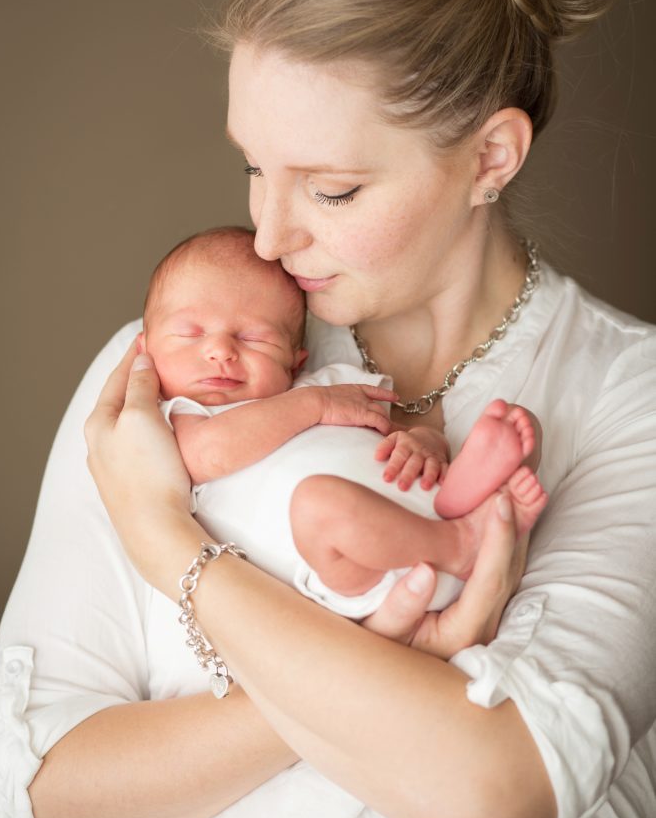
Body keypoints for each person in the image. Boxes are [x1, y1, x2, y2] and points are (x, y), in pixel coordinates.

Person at [0, 0, 655, 818]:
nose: (265, 236)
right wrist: (389, 679)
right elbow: (31, 803)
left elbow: (488, 791)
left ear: (488, 158)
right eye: (253, 166)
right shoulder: (180, 361)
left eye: (328, 189)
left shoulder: (626, 399)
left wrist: (170, 546)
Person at [141, 225, 546, 619]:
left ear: (293, 360)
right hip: (361, 573)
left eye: (253, 339)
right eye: (190, 333)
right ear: (144, 350)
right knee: (317, 503)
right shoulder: (178, 415)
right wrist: (314, 406)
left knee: (509, 429)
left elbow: (394, 431)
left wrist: (423, 444)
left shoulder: (327, 386)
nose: (219, 351)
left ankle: (479, 502)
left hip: (422, 511)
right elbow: (207, 455)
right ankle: (459, 543)